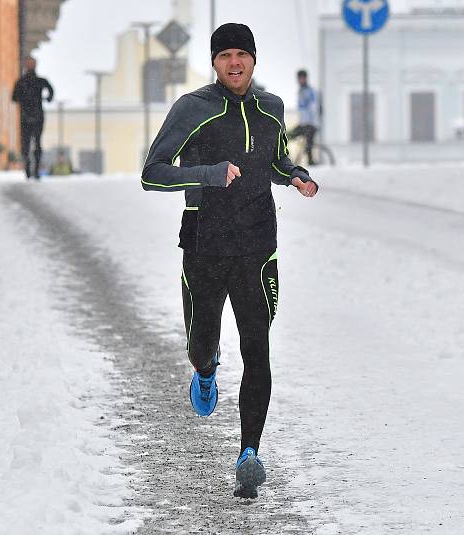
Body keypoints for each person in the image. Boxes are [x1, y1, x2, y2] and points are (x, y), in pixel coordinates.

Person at [141, 23, 318, 499]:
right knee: (202, 344)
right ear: (214, 62)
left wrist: (296, 175)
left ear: (254, 61)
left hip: (258, 245)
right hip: (204, 243)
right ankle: (205, 367)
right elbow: (152, 174)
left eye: (242, 54)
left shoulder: (271, 108)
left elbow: (275, 160)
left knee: (258, 348)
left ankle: (249, 454)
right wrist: (210, 174)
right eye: (225, 56)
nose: (234, 63)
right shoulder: (192, 108)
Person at [12, 57, 54, 180]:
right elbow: (14, 97)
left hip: (30, 116)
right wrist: (47, 98)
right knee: (30, 143)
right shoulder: (35, 81)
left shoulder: (23, 81)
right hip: (33, 116)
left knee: (33, 143)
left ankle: (33, 170)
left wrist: (24, 100)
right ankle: (30, 169)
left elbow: (14, 98)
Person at [286, 69, 319, 165]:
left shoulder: (310, 91)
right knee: (286, 137)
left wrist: (310, 122)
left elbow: (313, 107)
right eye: (299, 78)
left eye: (302, 78)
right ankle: (286, 159)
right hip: (303, 123)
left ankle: (311, 162)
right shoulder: (300, 91)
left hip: (311, 124)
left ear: (306, 78)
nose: (300, 80)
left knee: (309, 145)